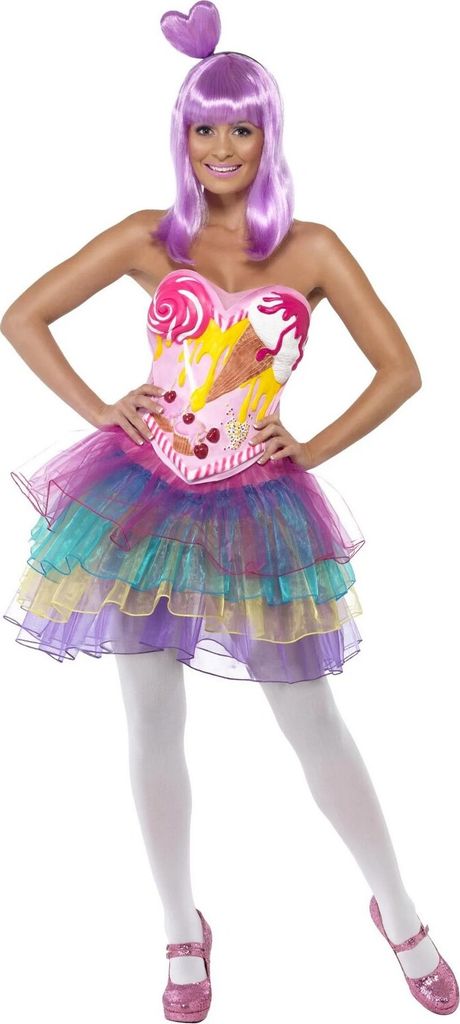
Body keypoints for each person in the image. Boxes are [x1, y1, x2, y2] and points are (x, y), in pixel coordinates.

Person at [1, 2, 458, 1020]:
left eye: (240, 128)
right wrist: (101, 406)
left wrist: (313, 445)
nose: (219, 147)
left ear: (267, 134)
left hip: (256, 501)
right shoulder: (147, 237)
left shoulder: (313, 249)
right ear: (182, 134)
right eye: (203, 127)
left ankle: (398, 909)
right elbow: (22, 316)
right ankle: (179, 928)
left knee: (310, 714)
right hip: (142, 496)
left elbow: (401, 370)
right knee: (149, 714)